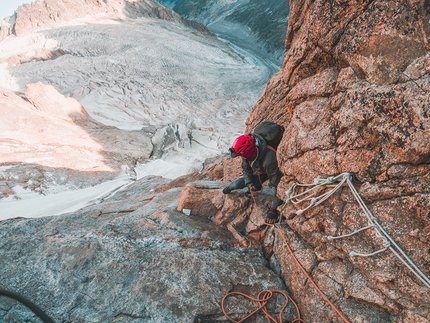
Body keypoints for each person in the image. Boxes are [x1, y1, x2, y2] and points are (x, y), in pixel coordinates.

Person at [223, 131, 283, 224]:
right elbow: (246, 169)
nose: (241, 157)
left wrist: (273, 210)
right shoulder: (250, 152)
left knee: (272, 185)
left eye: (241, 155)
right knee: (244, 184)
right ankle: (230, 187)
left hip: (271, 170)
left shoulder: (269, 160)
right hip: (262, 168)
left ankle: (235, 186)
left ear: (248, 152)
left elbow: (278, 186)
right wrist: (249, 183)